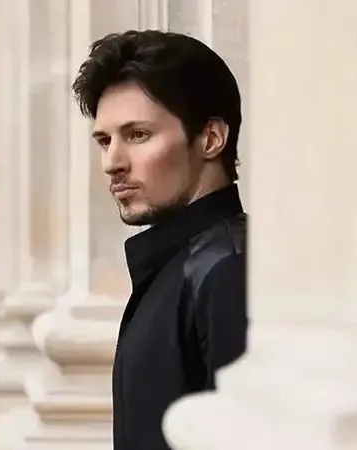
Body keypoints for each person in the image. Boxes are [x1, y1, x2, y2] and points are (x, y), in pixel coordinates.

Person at [71, 30, 247, 449]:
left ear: (211, 139)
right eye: (105, 140)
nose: (112, 162)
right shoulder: (177, 267)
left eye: (137, 135)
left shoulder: (229, 270)